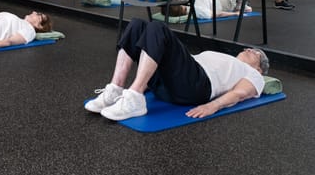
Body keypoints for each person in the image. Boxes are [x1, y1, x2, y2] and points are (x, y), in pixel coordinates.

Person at [84, 18, 268, 121]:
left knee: (158, 28)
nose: (249, 49)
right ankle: (115, 90)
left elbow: (240, 93)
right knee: (137, 24)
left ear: (259, 69)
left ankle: (135, 98)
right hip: (174, 84)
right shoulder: (226, 58)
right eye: (249, 48)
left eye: (256, 53)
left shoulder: (253, 75)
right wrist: (150, 84)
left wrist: (213, 106)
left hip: (196, 87)